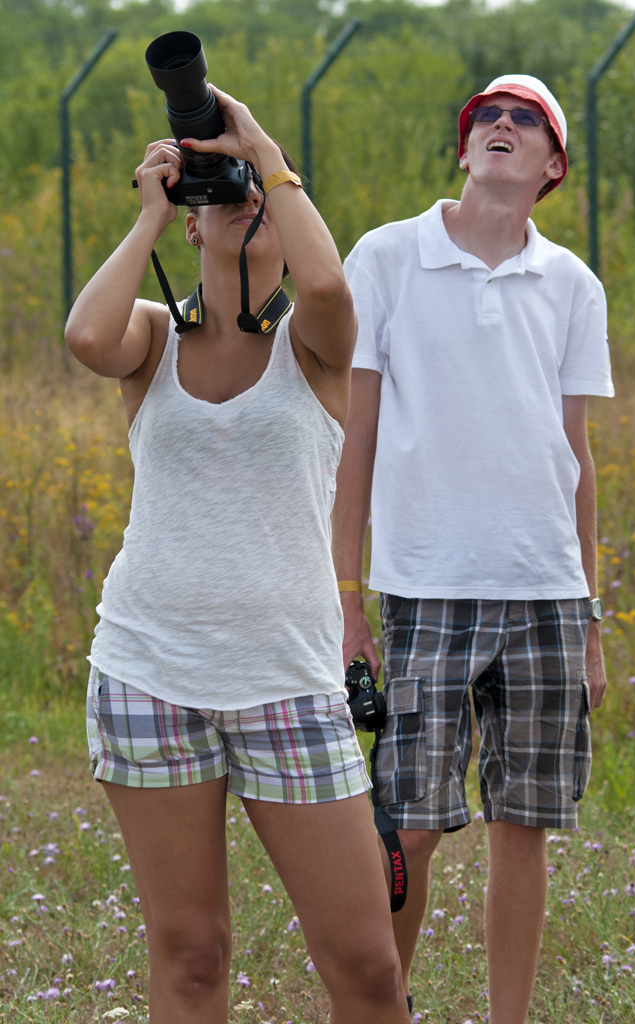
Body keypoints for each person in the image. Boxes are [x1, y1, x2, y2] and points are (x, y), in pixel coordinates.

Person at [66, 84, 410, 1024]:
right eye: (220, 195)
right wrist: (149, 209)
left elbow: (331, 284)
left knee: (369, 969)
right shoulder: (149, 337)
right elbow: (84, 336)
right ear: (189, 225)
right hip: (148, 672)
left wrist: (259, 148)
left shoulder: (316, 343)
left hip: (288, 682)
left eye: (258, 194)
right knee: (190, 957)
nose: (243, 204)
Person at [333, 74, 613, 1024]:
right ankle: (383, 1008)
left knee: (522, 826)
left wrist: (590, 620)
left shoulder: (572, 284)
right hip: (423, 586)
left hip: (545, 593)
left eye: (523, 121)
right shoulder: (385, 258)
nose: (499, 127)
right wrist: (345, 602)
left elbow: (573, 454)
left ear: (551, 166)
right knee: (408, 824)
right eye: (484, 118)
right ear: (463, 151)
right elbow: (355, 443)